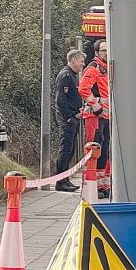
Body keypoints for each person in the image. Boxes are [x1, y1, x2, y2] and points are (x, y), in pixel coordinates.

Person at [79, 39, 111, 198]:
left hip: (106, 116)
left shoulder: (107, 68)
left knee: (105, 151)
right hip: (94, 115)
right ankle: (91, 185)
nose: (106, 53)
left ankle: (103, 185)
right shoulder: (93, 68)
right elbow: (83, 89)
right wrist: (97, 107)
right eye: (103, 50)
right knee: (94, 149)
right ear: (97, 53)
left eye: (107, 50)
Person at [54, 50, 85, 192]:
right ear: (72, 60)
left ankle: (65, 178)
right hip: (67, 119)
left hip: (73, 117)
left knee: (70, 149)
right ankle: (60, 181)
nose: (82, 64)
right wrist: (69, 117)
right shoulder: (65, 75)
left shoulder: (72, 75)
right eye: (81, 61)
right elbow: (60, 99)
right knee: (65, 149)